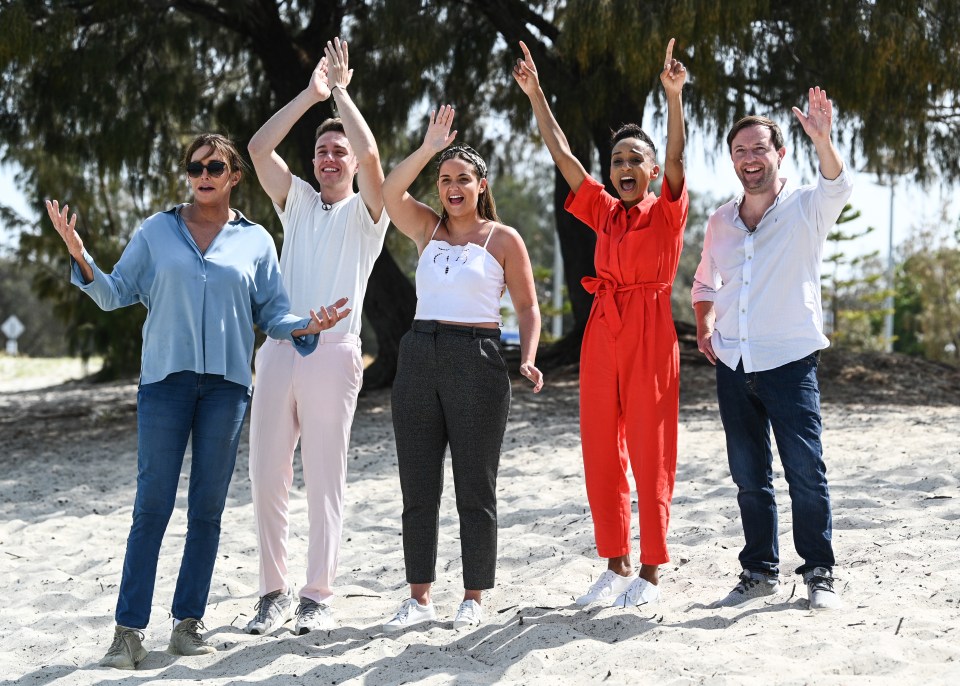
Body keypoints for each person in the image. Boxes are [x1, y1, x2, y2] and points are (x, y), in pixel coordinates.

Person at [45, 133, 346, 670]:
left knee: (206, 511)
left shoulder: (255, 241)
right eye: (194, 166)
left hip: (227, 390)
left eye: (214, 167)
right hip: (165, 384)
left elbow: (273, 313)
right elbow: (115, 292)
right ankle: (127, 633)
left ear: (234, 176)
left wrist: (306, 325)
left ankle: (188, 624)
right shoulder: (157, 232)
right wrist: (79, 254)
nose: (202, 174)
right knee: (152, 507)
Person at [513, 39, 688, 608]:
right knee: (599, 448)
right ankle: (614, 563)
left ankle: (652, 569)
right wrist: (537, 93)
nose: (626, 167)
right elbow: (562, 153)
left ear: (653, 170)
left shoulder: (667, 211)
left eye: (637, 159)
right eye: (618, 161)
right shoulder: (604, 210)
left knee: (649, 446)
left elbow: (680, 159)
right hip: (601, 330)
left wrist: (674, 99)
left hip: (650, 331)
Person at [243, 37, 390, 635]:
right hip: (279, 349)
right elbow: (256, 148)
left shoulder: (368, 214)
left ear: (351, 163)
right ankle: (271, 592)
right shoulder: (297, 202)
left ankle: (317, 594)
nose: (330, 158)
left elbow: (376, 159)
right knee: (266, 477)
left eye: (339, 151)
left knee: (325, 477)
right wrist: (312, 94)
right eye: (322, 151)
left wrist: (345, 95)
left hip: (333, 355)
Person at [380, 105, 543, 631]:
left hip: (478, 359)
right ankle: (419, 596)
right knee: (418, 485)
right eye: (445, 180)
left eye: (462, 179)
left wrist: (530, 356)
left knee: (476, 484)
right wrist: (428, 148)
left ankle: (474, 596)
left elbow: (527, 308)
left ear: (480, 185)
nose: (453, 188)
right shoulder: (427, 229)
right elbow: (387, 192)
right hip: (419, 354)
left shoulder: (502, 239)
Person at [691, 87, 852, 610]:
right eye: (740, 151)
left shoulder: (807, 206)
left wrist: (824, 140)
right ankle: (758, 571)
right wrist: (704, 323)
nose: (750, 159)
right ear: (732, 160)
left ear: (780, 154)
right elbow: (704, 281)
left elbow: (838, 183)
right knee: (748, 475)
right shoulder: (720, 221)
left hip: (789, 362)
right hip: (734, 364)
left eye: (759, 148)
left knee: (805, 469)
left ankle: (819, 572)